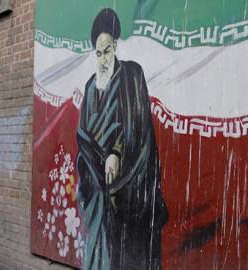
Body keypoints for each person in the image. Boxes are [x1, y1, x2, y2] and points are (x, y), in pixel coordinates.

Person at [75, 8, 169, 270]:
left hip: (130, 188)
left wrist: (115, 153)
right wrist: (97, 164)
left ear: (115, 45)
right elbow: (83, 136)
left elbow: (138, 126)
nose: (103, 58)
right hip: (99, 191)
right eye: (98, 53)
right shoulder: (90, 87)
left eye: (107, 51)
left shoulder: (132, 76)